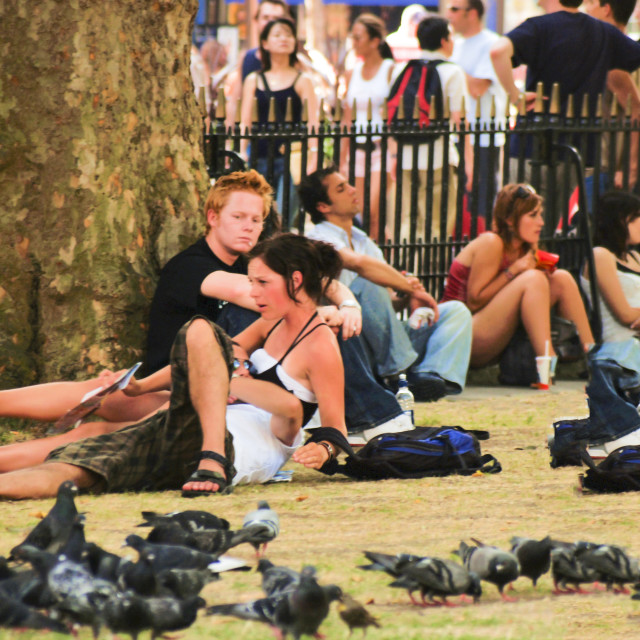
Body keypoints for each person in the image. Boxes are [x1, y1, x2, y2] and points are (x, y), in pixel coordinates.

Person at [0, 234, 348, 500]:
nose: (252, 292)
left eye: (262, 283)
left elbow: (335, 431)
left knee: (91, 436)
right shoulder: (271, 320)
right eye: (251, 281)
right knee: (95, 419)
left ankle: (210, 457)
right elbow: (227, 351)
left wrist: (323, 449)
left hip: (232, 436)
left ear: (296, 281)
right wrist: (147, 385)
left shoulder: (320, 347)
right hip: (208, 413)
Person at [144, 169, 410, 443]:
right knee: (265, 311)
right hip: (182, 378)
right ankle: (374, 417)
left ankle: (361, 417)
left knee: (313, 319)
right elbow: (242, 291)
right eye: (238, 217)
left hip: (241, 373)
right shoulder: (189, 266)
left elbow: (319, 280)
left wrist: (348, 305)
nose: (248, 226)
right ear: (213, 217)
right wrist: (318, 315)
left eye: (256, 219)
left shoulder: (256, 262)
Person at [301, 166, 472, 402]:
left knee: (455, 312)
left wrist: (404, 295)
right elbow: (360, 266)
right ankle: (399, 376)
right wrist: (408, 286)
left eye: (349, 184)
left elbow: (387, 304)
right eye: (341, 189)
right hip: (351, 338)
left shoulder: (363, 239)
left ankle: (434, 379)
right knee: (368, 283)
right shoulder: (318, 236)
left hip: (384, 342)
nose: (352, 190)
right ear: (323, 206)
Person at [440, 183, 594, 368]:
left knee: (562, 278)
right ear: (510, 220)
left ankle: (594, 358)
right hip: (462, 336)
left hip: (498, 336)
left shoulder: (524, 249)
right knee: (533, 279)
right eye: (533, 215)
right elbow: (474, 301)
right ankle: (547, 363)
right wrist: (514, 271)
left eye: (540, 214)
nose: (541, 222)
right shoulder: (491, 242)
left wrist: (537, 271)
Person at [390, 16, 465, 241]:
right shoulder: (452, 71)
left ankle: (406, 269)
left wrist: (394, 154)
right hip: (438, 156)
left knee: (408, 219)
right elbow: (460, 120)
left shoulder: (402, 69)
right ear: (444, 41)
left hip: (405, 157)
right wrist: (467, 161)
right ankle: (430, 272)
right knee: (436, 222)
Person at [579, 190, 640, 454]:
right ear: (621, 220)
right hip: (619, 347)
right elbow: (624, 315)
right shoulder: (601, 255)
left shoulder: (636, 257)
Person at [240, 17, 318, 219]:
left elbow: (312, 122)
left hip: (291, 157)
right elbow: (246, 121)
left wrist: (314, 156)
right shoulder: (253, 79)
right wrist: (241, 152)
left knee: (283, 216)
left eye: (288, 34)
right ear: (265, 43)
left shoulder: (303, 80)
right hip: (259, 155)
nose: (284, 38)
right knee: (259, 216)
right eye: (277, 34)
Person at [447, 0, 506, 218]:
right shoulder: (457, 44)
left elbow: (479, 87)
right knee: (458, 205)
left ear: (471, 14)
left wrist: (448, 71)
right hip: (459, 135)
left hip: (483, 137)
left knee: (482, 205)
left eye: (454, 9)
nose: (449, 14)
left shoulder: (491, 43)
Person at [340, 14, 395, 242]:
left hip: (381, 148)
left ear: (375, 41)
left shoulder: (390, 69)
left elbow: (395, 114)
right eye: (352, 37)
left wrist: (394, 153)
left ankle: (379, 263)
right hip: (356, 149)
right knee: (359, 213)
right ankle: (379, 257)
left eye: (358, 37)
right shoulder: (352, 73)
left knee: (374, 211)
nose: (354, 42)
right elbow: (347, 120)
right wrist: (341, 159)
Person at [225, 0, 290, 128]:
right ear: (257, 21)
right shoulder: (247, 58)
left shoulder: (296, 61)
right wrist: (228, 137)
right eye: (265, 17)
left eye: (276, 18)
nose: (270, 22)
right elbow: (235, 99)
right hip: (254, 137)